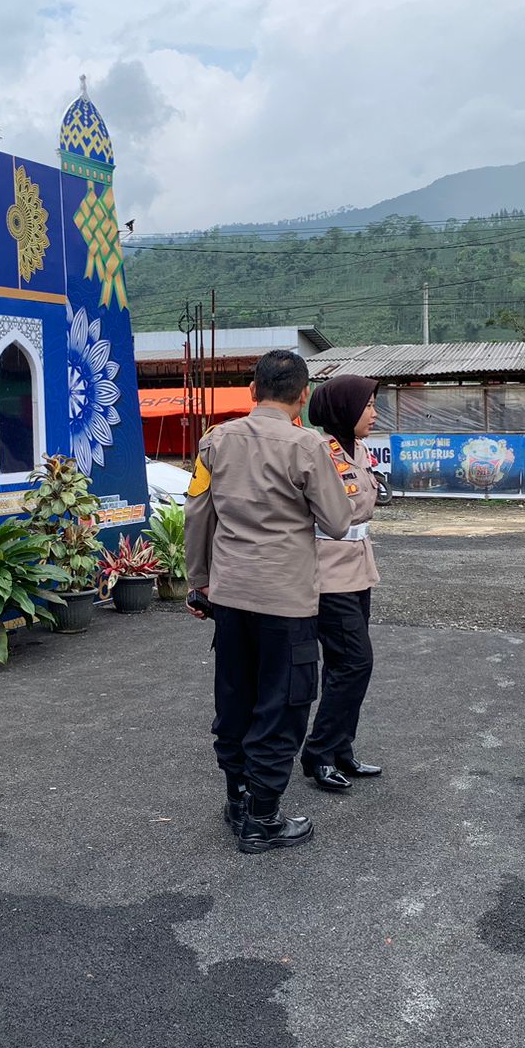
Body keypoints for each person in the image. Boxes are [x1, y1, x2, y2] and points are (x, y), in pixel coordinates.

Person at [184, 350, 353, 854]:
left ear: (253, 391)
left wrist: (200, 581)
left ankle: (238, 799)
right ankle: (263, 818)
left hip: (231, 597)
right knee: (281, 707)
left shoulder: (215, 441)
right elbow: (339, 522)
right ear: (303, 395)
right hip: (286, 601)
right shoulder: (307, 446)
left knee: (236, 699)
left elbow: (197, 513)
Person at [300, 375, 383, 792]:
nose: (374, 413)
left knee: (341, 665)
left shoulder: (360, 450)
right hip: (328, 573)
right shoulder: (319, 452)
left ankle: (340, 749)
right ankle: (318, 753)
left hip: (357, 569)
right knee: (356, 662)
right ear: (344, 410)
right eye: (367, 405)